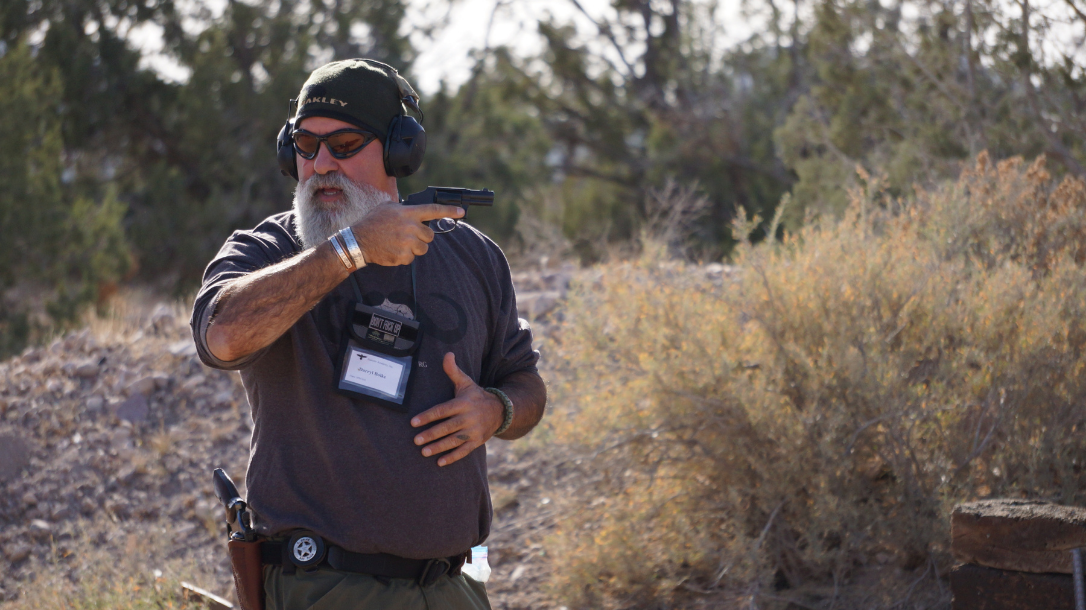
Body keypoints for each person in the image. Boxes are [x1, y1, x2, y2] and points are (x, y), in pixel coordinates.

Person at [189, 58, 547, 610]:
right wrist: (350, 251)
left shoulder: (473, 257)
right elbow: (223, 336)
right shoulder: (266, 252)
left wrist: (495, 410)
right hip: (324, 584)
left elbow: (527, 385)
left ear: (400, 150)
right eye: (306, 146)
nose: (322, 163)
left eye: (346, 144)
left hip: (456, 586)